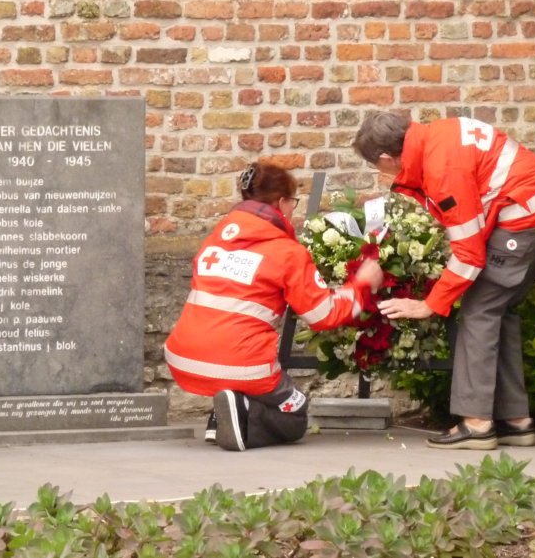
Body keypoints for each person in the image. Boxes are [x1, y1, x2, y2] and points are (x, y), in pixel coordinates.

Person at [354, 112, 535, 450]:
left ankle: (477, 423)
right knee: (498, 308)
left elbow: (469, 253)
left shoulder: (442, 168)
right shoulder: (438, 136)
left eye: (379, 167)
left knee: (479, 309)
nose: (382, 173)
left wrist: (430, 305)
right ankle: (515, 421)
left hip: (527, 213)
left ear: (387, 157)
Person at [164, 162, 384, 452]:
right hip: (244, 367)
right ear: (281, 202)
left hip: (181, 358)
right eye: (292, 202)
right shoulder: (287, 252)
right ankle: (243, 418)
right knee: (296, 414)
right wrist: (363, 284)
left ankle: (222, 415)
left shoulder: (215, 239)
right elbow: (324, 314)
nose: (293, 209)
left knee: (238, 364)